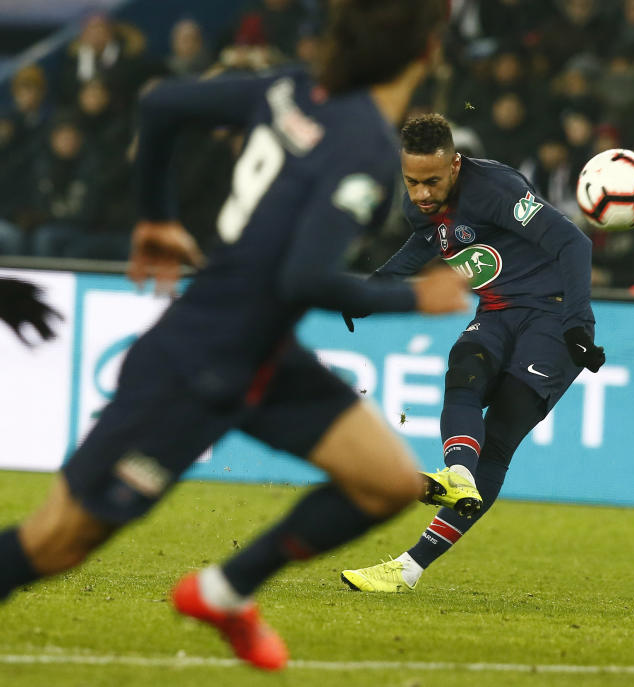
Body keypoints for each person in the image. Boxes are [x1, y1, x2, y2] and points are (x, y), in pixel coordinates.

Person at [0, 0, 467, 672]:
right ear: (428, 53)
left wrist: (154, 215)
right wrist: (414, 296)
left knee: (387, 481)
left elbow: (162, 104)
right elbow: (304, 277)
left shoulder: (292, 87)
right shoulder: (363, 142)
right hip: (197, 360)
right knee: (56, 542)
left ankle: (222, 591)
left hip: (263, 353)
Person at [339, 113, 605, 593]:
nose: (421, 193)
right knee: (464, 369)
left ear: (456, 165)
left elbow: (574, 242)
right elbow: (426, 242)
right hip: (498, 310)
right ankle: (457, 472)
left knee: (500, 435)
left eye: (432, 181)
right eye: (412, 180)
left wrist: (578, 325)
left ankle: (410, 567)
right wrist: (375, 288)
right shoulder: (418, 204)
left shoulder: (495, 190)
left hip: (553, 317)